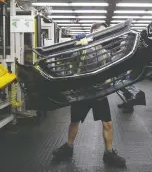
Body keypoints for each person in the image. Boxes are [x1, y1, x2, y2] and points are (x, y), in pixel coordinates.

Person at [52, 22, 126, 168]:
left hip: (99, 93)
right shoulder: (83, 47)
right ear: (92, 33)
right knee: (74, 122)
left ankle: (109, 153)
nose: (103, 35)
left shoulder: (105, 52)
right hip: (82, 92)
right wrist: (77, 44)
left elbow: (113, 67)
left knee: (108, 124)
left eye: (105, 32)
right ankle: (68, 147)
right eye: (99, 32)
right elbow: (68, 59)